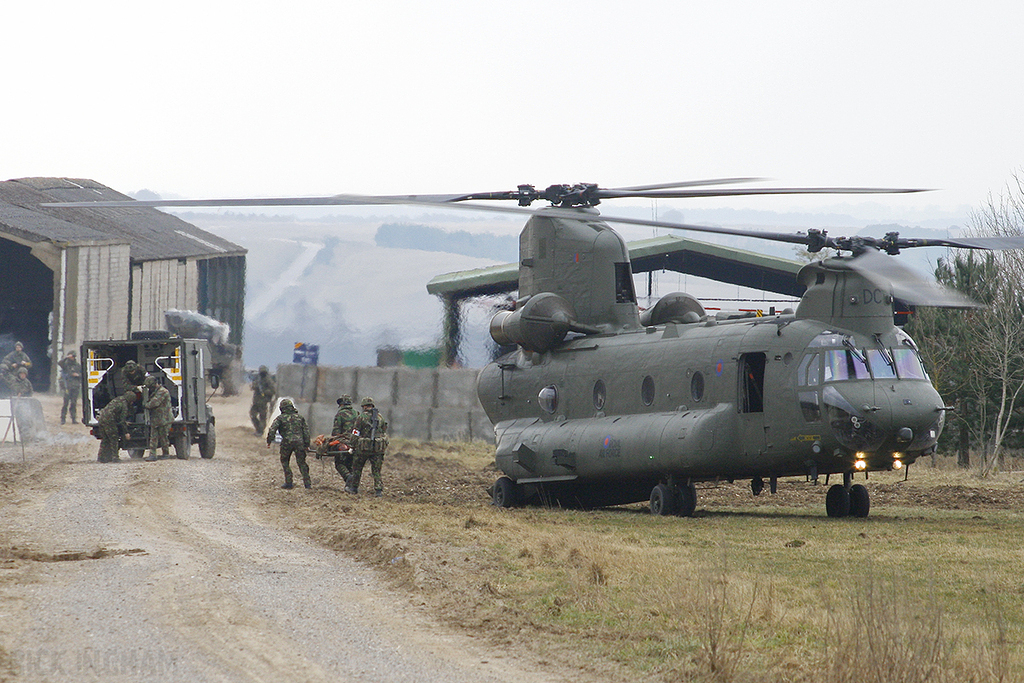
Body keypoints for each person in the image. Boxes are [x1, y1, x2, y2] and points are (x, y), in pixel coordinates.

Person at [347, 396, 389, 497]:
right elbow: (383, 430)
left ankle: (353, 488)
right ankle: (378, 490)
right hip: (377, 449)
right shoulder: (380, 417)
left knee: (357, 468)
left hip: (363, 448)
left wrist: (351, 446)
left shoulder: (361, 417)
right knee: (376, 470)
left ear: (364, 406)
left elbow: (356, 432)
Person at [266, 398, 311, 489]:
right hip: (299, 443)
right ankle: (307, 483)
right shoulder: (300, 418)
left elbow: (272, 429)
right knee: (302, 463)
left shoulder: (280, 418)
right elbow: (306, 432)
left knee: (285, 461)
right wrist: (306, 444)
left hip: (286, 443)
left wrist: (269, 441)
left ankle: (289, 482)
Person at [96, 390, 139, 463]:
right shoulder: (124, 405)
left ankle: (101, 457)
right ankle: (115, 457)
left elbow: (116, 413)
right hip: (109, 421)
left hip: (101, 419)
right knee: (114, 438)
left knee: (105, 439)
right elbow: (122, 421)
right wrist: (126, 432)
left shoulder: (118, 399)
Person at [142, 375, 173, 461]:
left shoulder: (162, 391)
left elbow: (154, 403)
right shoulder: (155, 391)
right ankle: (153, 455)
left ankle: (166, 453)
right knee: (153, 437)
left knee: (163, 437)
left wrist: (145, 405)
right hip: (156, 419)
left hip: (164, 418)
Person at [250, 365, 276, 435]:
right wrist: (255, 386)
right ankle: (258, 429)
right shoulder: (258, 379)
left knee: (262, 417)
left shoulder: (268, 380)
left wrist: (264, 391)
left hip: (263, 401)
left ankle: (261, 431)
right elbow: (253, 387)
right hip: (256, 401)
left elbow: (273, 391)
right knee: (253, 415)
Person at [58, 350, 82, 424]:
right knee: (65, 403)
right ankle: (63, 419)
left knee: (74, 403)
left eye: (72, 356)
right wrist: (66, 357)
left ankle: (73, 418)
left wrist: (77, 375)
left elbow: (82, 374)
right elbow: (59, 363)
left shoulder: (77, 365)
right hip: (67, 386)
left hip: (75, 386)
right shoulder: (65, 364)